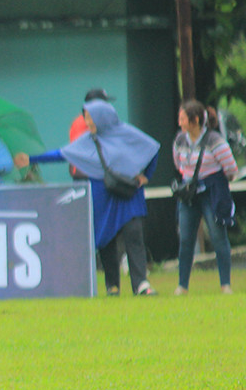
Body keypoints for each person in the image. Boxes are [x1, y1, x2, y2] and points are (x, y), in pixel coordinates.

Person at [14, 99, 160, 296]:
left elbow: (151, 149)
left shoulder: (127, 134)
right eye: (86, 118)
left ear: (102, 118)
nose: (88, 122)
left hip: (128, 193)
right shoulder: (88, 140)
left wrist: (146, 176)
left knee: (133, 234)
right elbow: (62, 154)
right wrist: (31, 159)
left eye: (91, 118)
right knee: (106, 238)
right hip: (103, 194)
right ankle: (112, 285)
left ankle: (141, 283)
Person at [172, 100, 239, 295]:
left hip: (212, 193)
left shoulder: (214, 140)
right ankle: (182, 285)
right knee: (185, 238)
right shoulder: (179, 140)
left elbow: (231, 169)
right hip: (189, 194)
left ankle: (225, 284)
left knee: (218, 237)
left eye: (183, 118)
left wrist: (212, 180)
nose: (180, 122)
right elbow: (179, 164)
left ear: (194, 120)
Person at [69, 88, 114, 180]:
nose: (107, 105)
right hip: (84, 173)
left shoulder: (98, 120)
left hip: (94, 172)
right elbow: (80, 150)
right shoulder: (82, 122)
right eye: (103, 102)